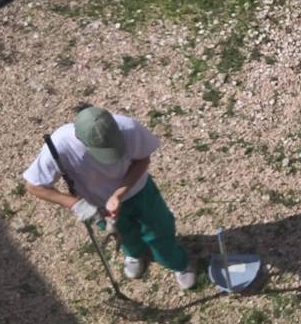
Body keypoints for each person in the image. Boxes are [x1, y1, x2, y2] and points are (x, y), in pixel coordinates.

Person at [23, 105, 196, 289]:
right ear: (78, 137)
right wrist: (77, 205)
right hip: (97, 203)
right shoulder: (58, 146)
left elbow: (142, 160)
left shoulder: (129, 128)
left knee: (159, 230)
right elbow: (34, 186)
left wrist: (118, 194)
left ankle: (178, 262)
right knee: (122, 233)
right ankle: (135, 254)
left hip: (139, 191)